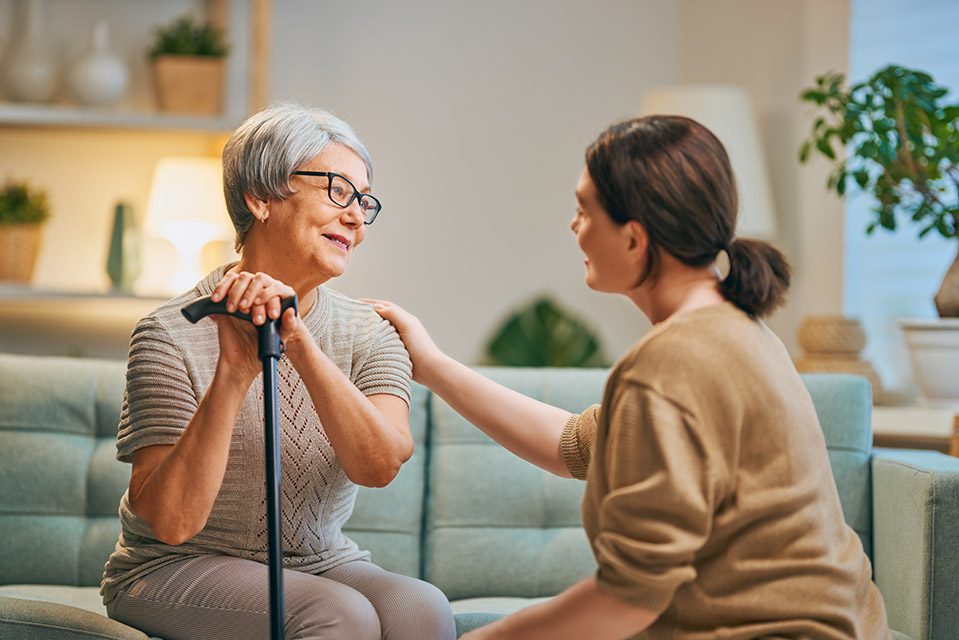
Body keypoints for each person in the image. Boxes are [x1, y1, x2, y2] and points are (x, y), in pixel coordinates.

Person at [367, 115, 891, 639]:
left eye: (583, 210)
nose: (574, 226)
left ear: (635, 239)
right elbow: (573, 443)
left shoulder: (671, 363)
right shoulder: (738, 332)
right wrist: (431, 364)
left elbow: (628, 599)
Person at [100, 103, 456, 640]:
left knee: (422, 609)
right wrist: (234, 371)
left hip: (318, 560)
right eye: (337, 190)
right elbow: (172, 523)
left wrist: (300, 342)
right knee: (339, 614)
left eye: (364, 201)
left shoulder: (370, 332)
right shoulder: (168, 332)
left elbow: (379, 464)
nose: (357, 217)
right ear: (260, 197)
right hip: (173, 567)